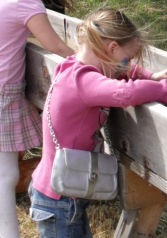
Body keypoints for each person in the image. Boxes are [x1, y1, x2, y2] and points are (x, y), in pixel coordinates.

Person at [28, 8, 167, 237]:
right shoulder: (84, 81)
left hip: (61, 190)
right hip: (59, 200)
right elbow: (125, 93)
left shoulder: (74, 68)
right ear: (111, 48)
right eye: (127, 57)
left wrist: (150, 76)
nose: (127, 64)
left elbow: (119, 72)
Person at [0, 0, 75, 237]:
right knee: (5, 175)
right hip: (3, 91)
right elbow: (57, 47)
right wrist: (99, 66)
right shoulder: (27, 3)